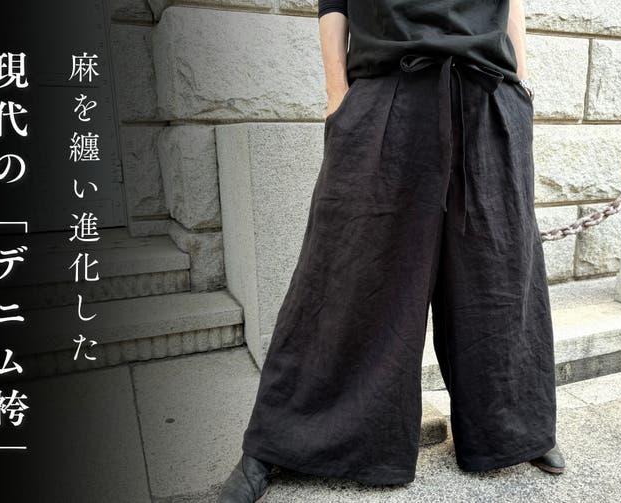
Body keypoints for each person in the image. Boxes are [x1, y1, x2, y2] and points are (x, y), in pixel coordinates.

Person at [217, 1, 566, 501]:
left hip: (487, 92)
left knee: (500, 277)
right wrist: (337, 94)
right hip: (386, 91)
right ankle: (281, 441)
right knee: (346, 276)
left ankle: (518, 430)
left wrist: (520, 85)